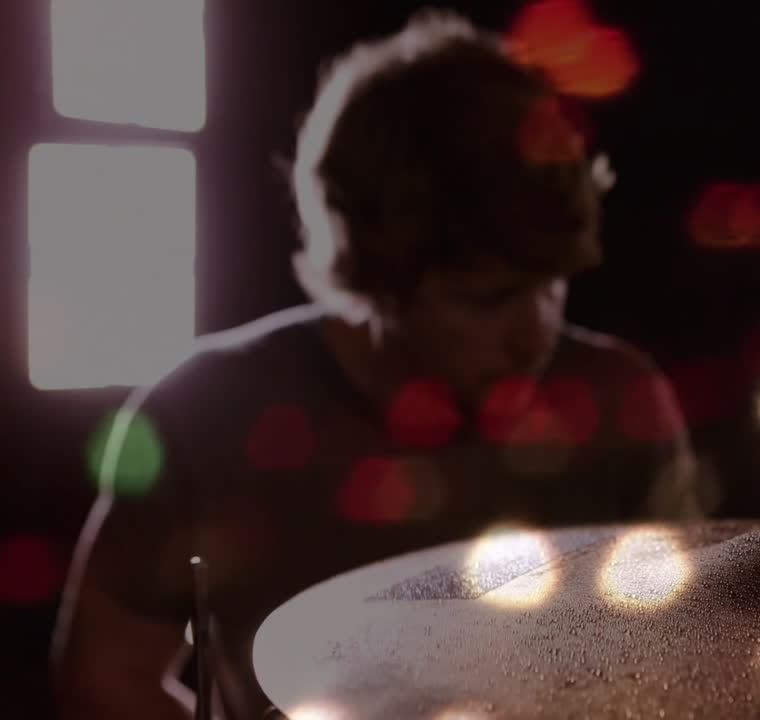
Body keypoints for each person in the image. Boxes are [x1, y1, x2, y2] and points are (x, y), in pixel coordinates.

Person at [51, 10, 701, 719]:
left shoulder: (620, 404)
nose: (533, 334)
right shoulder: (207, 415)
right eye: (486, 299)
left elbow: (686, 666)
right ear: (369, 277)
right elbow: (104, 673)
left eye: (551, 284)